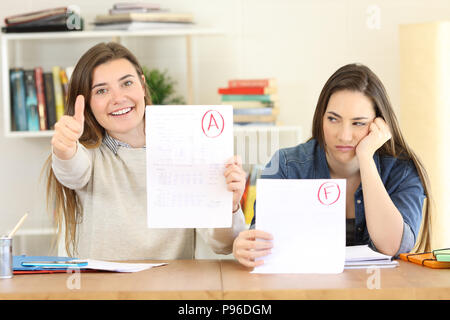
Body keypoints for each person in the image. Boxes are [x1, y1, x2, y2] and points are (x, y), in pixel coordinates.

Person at [44, 42, 247, 260]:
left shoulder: (186, 149)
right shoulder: (87, 155)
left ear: (142, 85)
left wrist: (230, 204)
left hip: (171, 291)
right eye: (101, 90)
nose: (118, 98)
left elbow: (224, 245)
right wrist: (64, 150)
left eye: (127, 83)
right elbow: (72, 171)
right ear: (87, 102)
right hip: (104, 291)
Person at [232, 63, 432, 267]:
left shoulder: (401, 171)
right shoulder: (287, 166)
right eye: (333, 119)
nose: (344, 136)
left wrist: (366, 157)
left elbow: (393, 246)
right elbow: (260, 242)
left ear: (378, 125)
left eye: (358, 123)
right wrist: (246, 246)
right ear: (321, 117)